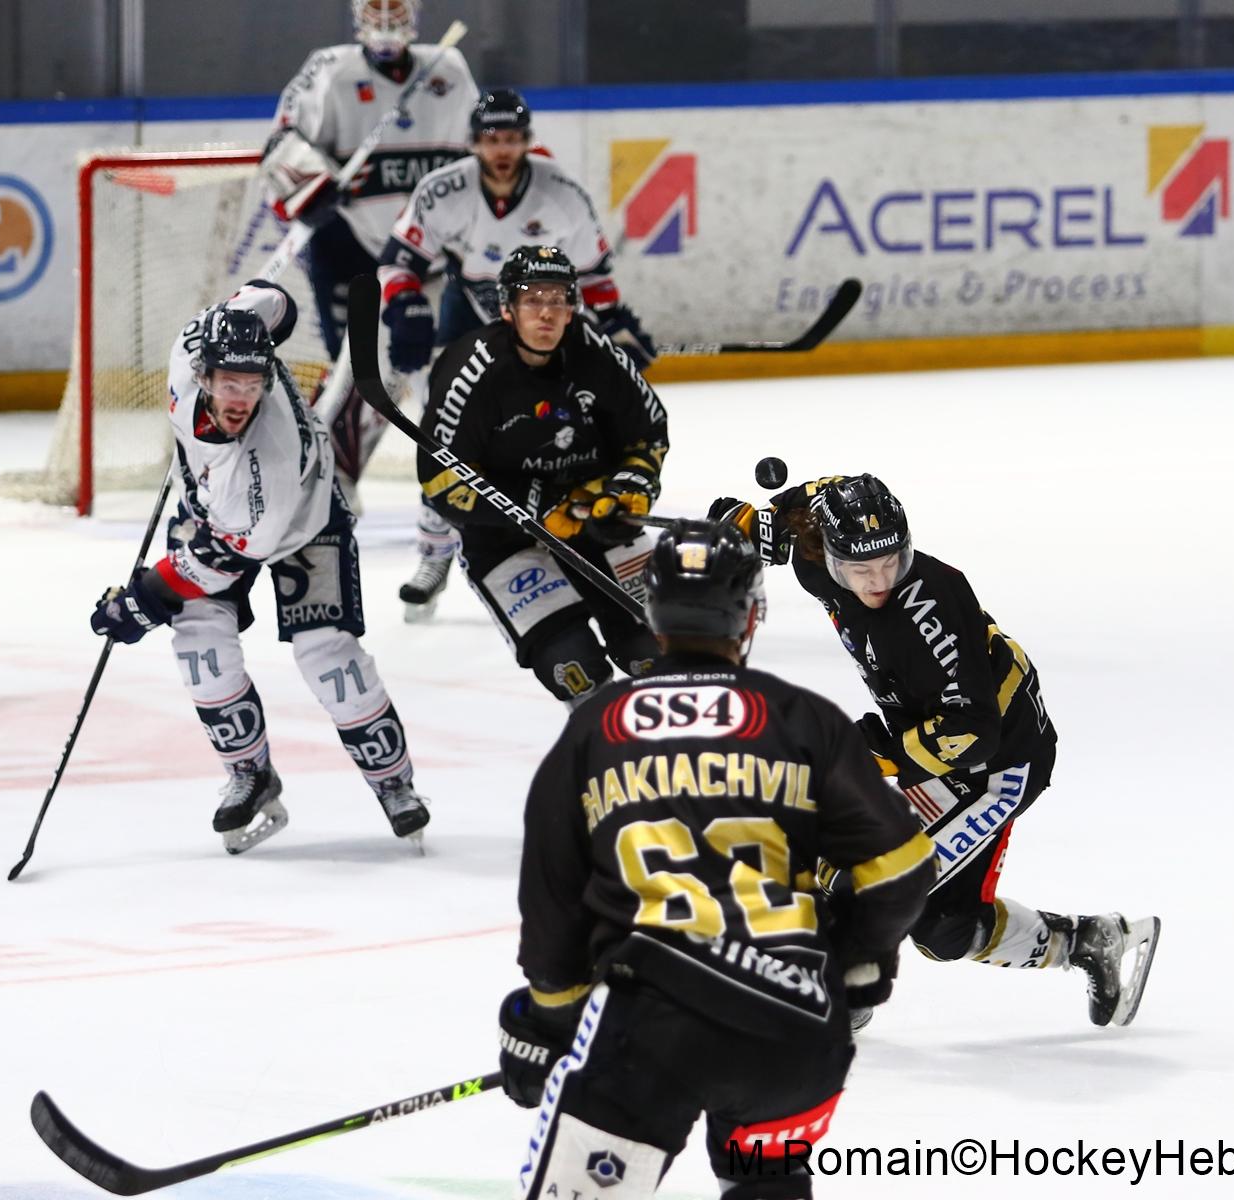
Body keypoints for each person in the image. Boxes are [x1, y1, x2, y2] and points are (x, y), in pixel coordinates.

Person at [499, 520, 935, 1199]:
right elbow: (902, 865)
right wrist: (857, 955)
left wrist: (550, 1014)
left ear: (652, 611)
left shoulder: (600, 723)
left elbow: (553, 890)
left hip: (649, 1036)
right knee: (768, 1185)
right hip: (791, 1034)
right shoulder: (800, 717)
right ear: (751, 613)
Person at [711, 474, 1160, 1027]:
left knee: (883, 886)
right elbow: (827, 491)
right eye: (861, 569)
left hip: (998, 763)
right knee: (937, 924)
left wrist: (887, 756)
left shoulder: (930, 607)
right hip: (934, 741)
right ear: (828, 555)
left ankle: (840, 993)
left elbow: (974, 730)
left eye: (891, 563)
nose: (878, 580)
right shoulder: (820, 559)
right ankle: (1091, 942)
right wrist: (765, 520)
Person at [89, 281, 430, 854]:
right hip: (210, 511)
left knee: (328, 657)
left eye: (252, 385)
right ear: (202, 373)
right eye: (229, 383)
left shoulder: (266, 467)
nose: (240, 398)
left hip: (306, 519)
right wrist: (273, 306)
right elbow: (274, 301)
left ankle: (393, 782)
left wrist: (142, 601)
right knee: (199, 646)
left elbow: (219, 561)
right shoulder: (188, 346)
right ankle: (251, 772)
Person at [368, 87, 658, 614]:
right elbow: (395, 261)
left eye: (512, 139)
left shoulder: (562, 193)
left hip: (541, 320)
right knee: (446, 440)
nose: (502, 150)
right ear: (475, 142)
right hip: (470, 310)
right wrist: (406, 303)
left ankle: (565, 531)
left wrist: (615, 327)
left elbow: (593, 275)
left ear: (527, 141)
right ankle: (434, 554)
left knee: (549, 427)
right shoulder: (442, 191)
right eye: (491, 139)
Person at [415, 244, 663, 698]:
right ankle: (602, 761)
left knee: (658, 656)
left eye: (557, 299)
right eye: (532, 299)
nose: (545, 313)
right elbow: (441, 482)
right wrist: (538, 505)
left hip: (594, 519)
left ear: (572, 308)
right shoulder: (470, 370)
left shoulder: (597, 354)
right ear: (507, 308)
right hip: (504, 539)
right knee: (578, 672)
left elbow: (647, 435)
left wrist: (627, 489)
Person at [259, 0, 478, 362]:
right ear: (359, 12)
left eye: (395, 7)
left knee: (452, 378)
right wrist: (316, 183)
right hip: (350, 247)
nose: (387, 18)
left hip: (432, 256)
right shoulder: (329, 68)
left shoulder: (449, 69)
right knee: (353, 385)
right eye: (377, 7)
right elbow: (281, 142)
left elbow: (483, 148)